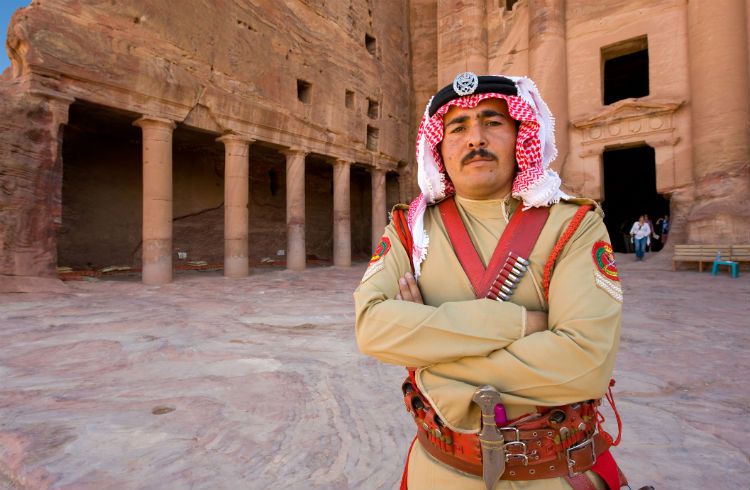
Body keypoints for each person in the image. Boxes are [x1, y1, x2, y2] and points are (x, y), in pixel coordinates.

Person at [354, 73, 626, 490]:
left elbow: (585, 362)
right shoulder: (409, 230)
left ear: (520, 134)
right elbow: (372, 327)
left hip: (551, 473)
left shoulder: (573, 225)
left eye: (492, 122)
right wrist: (522, 324)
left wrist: (431, 363)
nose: (474, 138)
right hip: (438, 468)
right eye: (457, 127)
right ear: (439, 146)